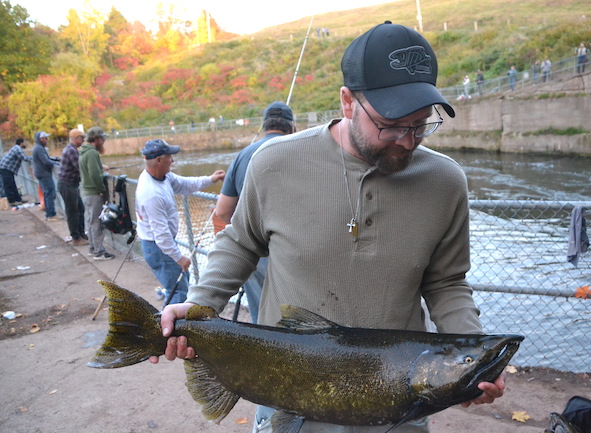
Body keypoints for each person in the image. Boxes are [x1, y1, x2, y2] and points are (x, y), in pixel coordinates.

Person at [152, 21, 507, 433]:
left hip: (399, 397)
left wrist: (472, 358)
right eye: (391, 124)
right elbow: (239, 242)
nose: (407, 141)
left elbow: (447, 282)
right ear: (347, 102)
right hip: (285, 387)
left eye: (421, 124)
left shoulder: (446, 182)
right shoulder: (274, 163)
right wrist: (199, 306)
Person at [214, 101, 296, 324]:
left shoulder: (243, 156)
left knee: (262, 314)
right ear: (293, 128)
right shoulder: (301, 151)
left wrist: (248, 228)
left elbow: (222, 211)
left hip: (255, 252)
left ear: (264, 127)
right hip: (295, 253)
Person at [135, 139, 225, 306]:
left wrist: (211, 179)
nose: (173, 160)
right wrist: (179, 257)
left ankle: (169, 323)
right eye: (170, 156)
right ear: (159, 160)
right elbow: (161, 236)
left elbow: (184, 184)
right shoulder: (151, 193)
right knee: (178, 293)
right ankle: (166, 329)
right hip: (158, 248)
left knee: (179, 285)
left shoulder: (163, 176)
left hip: (160, 246)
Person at [80, 127, 114, 261]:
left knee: (90, 221)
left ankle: (92, 248)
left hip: (87, 192)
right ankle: (99, 252)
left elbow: (92, 170)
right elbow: (94, 174)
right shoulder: (92, 153)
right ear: (96, 139)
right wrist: (101, 189)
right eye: (102, 138)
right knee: (97, 222)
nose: (104, 140)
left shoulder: (84, 152)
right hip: (94, 193)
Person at [58, 129, 88, 246]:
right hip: (67, 185)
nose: (83, 140)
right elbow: (80, 167)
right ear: (76, 139)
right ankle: (76, 238)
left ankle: (81, 233)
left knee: (80, 209)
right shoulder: (71, 151)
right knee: (72, 212)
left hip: (71, 185)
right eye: (81, 138)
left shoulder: (72, 150)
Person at [32, 131, 62, 221]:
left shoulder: (38, 148)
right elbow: (46, 161)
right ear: (41, 139)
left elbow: (47, 158)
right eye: (45, 138)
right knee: (50, 193)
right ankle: (51, 214)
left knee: (47, 193)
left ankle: (49, 212)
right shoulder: (39, 148)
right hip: (44, 174)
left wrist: (56, 159)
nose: (47, 140)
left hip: (41, 173)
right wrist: (58, 164)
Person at [0, 138, 31, 206]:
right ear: (21, 143)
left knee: (12, 184)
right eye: (24, 143)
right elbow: (24, 158)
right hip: (6, 168)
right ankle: (12, 201)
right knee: (9, 185)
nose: (25, 144)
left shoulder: (16, 148)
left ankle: (18, 199)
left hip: (6, 168)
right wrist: (34, 158)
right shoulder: (18, 149)